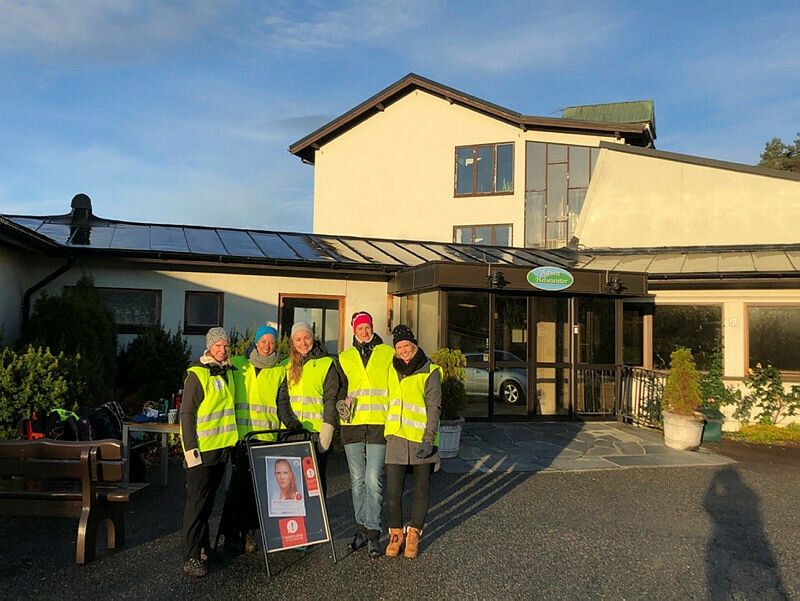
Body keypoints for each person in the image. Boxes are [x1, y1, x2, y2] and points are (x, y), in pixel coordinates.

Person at [221, 325, 302, 554]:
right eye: (264, 341)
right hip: (238, 438)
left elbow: (283, 405)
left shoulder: (279, 371)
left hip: (264, 439)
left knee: (258, 491)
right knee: (236, 489)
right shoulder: (238, 365)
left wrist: (294, 424)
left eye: (272, 342)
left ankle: (249, 534)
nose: (267, 346)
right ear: (256, 342)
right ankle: (230, 534)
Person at [180, 327, 238, 577]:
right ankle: (190, 556)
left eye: (226, 346)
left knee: (207, 504)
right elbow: (187, 414)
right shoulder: (198, 374)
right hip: (201, 453)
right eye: (218, 346)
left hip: (220, 450)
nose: (222, 350)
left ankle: (203, 547)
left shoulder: (228, 372)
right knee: (196, 505)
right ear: (209, 348)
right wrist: (190, 451)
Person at [336, 311, 393, 558]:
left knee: (374, 481)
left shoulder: (387, 353)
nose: (364, 331)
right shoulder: (345, 357)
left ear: (372, 328)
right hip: (353, 426)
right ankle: (360, 530)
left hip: (379, 424)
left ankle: (374, 533)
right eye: (360, 327)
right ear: (353, 330)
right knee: (357, 481)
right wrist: (341, 405)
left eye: (367, 326)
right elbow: (338, 389)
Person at [383, 324, 441, 560]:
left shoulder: (430, 370)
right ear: (395, 350)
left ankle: (415, 532)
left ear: (414, 345)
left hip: (420, 439)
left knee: (421, 490)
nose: (404, 350)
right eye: (399, 347)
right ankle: (396, 534)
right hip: (396, 437)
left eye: (407, 345)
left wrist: (429, 439)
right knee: (393, 492)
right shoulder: (391, 369)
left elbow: (434, 407)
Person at [276, 322, 339, 497]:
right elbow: (282, 399)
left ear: (313, 338)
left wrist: (328, 428)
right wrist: (289, 421)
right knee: (291, 483)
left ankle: (318, 522)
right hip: (291, 432)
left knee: (315, 484)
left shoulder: (327, 364)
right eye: (298, 339)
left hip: (316, 433)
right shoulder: (285, 365)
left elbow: (331, 398)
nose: (303, 343)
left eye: (307, 338)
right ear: (292, 342)